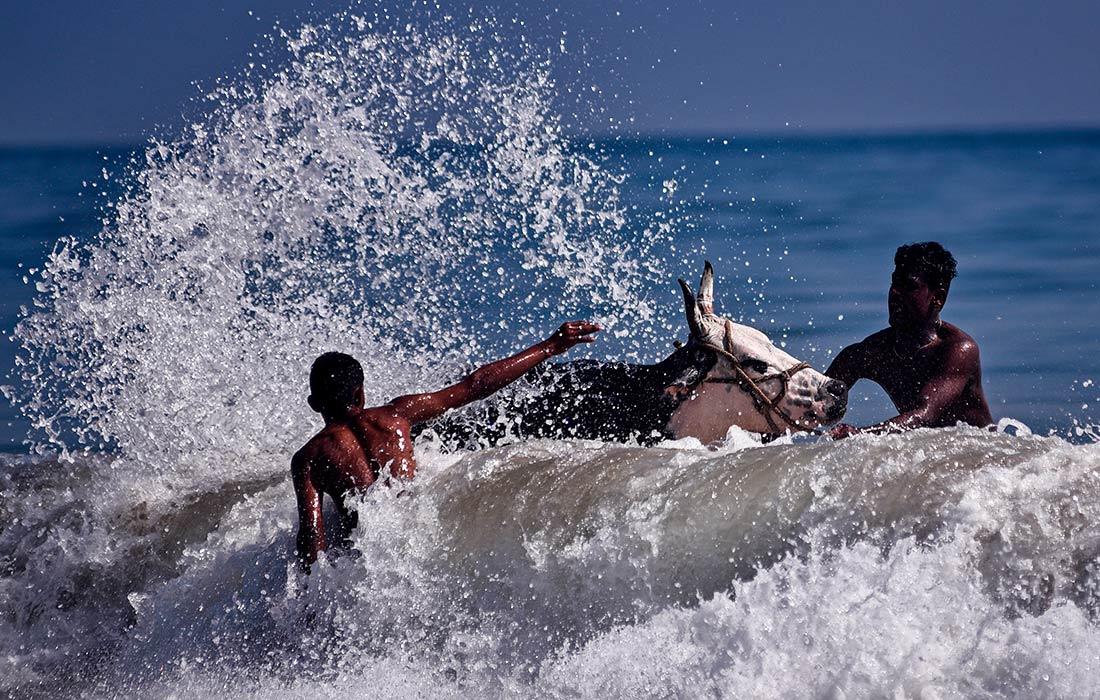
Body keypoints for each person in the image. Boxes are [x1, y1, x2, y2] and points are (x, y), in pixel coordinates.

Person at [292, 321, 601, 571]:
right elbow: (477, 384)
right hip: (420, 540)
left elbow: (311, 538)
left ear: (313, 403)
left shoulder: (308, 458)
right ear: (360, 394)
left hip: (368, 558)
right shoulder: (397, 414)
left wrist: (312, 609)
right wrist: (549, 346)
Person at [827, 242, 992, 439]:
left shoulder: (958, 350)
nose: (895, 292)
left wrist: (860, 434)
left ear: (937, 298)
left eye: (909, 286)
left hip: (983, 457)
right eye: (894, 283)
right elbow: (814, 400)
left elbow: (925, 415)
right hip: (928, 455)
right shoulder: (874, 352)